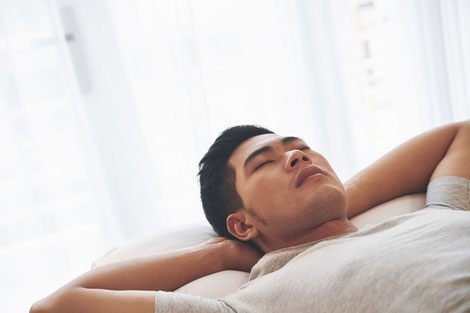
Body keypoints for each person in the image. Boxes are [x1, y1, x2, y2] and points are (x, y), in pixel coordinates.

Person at [30, 120, 470, 313]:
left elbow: (460, 133)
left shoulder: (439, 213)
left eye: (300, 147)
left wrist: (332, 203)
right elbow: (56, 307)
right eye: (265, 163)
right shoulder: (254, 302)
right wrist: (220, 254)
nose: (297, 155)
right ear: (242, 224)